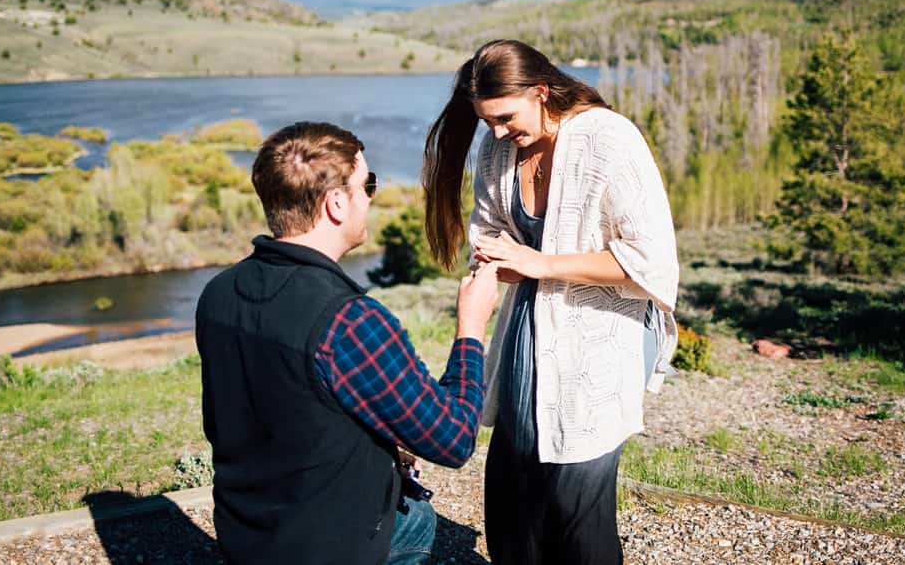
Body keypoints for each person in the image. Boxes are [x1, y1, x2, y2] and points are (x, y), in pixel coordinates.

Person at [197, 121, 501, 565]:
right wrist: (471, 326)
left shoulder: (219, 292)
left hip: (248, 536)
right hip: (330, 546)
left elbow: (291, 404)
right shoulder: (350, 321)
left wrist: (384, 451)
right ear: (336, 203)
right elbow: (453, 440)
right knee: (417, 518)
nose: (371, 196)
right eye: (368, 184)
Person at [422, 39, 679, 565]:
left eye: (505, 118)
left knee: (576, 505)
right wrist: (496, 261)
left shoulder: (609, 140)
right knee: (512, 496)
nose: (495, 133)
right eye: (485, 120)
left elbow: (650, 258)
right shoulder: (498, 146)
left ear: (541, 92)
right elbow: (491, 231)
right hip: (526, 332)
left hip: (603, 332)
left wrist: (541, 264)